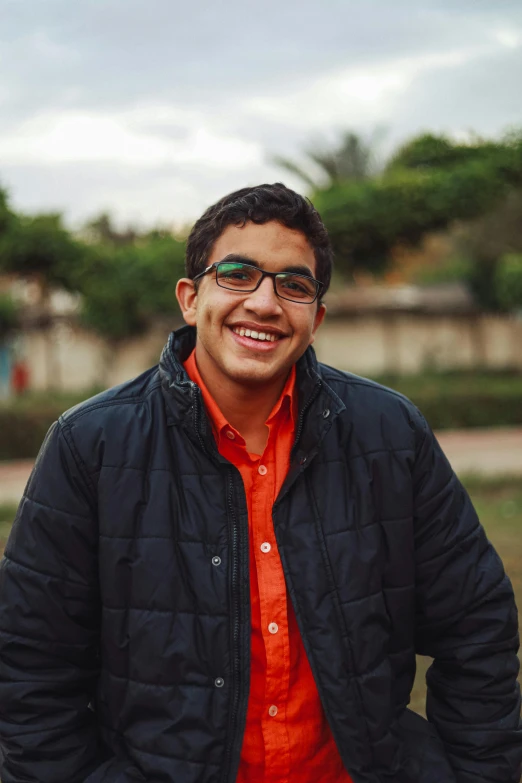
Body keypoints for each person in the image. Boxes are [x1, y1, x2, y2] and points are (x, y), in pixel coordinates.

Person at [0, 183, 520, 783]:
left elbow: (476, 625)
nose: (266, 303)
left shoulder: (388, 433)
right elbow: (32, 670)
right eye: (238, 274)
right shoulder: (90, 446)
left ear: (316, 318)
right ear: (191, 299)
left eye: (294, 285)